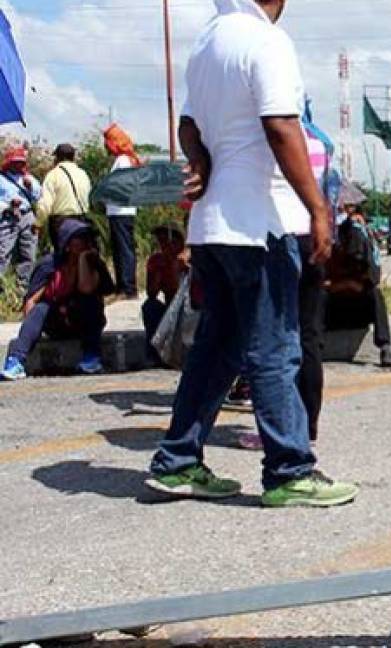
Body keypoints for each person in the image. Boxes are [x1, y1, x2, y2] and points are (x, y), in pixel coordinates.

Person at [146, 0, 358, 508]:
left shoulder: (208, 41)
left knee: (218, 349)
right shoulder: (268, 41)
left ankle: (178, 461)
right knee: (276, 348)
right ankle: (288, 471)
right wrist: (319, 209)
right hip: (259, 223)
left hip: (213, 226)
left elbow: (189, 124)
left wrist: (198, 158)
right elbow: (282, 126)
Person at [1, 219, 115, 381]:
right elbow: (31, 302)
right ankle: (16, 361)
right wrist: (31, 330)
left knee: (90, 302)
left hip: (82, 321)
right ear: (67, 244)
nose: (86, 242)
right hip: (55, 322)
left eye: (87, 237)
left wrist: (83, 260)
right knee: (41, 308)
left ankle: (91, 358)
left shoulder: (93, 263)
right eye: (80, 238)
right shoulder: (49, 265)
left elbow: (86, 289)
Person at [325, 208, 391, 369]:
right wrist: (343, 284)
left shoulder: (362, 245)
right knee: (318, 297)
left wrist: (351, 284)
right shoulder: (323, 247)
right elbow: (319, 283)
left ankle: (385, 346)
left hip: (357, 308)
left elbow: (372, 279)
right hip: (331, 310)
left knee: (376, 295)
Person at [102, 124, 145, 299]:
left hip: (121, 210)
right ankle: (122, 285)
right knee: (121, 249)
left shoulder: (123, 161)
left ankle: (127, 287)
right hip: (119, 210)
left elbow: (121, 185)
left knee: (124, 249)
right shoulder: (124, 159)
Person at [142, 224, 189, 362]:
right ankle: (153, 354)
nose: (164, 245)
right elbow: (151, 293)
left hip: (186, 306)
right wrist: (158, 273)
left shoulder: (186, 259)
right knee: (150, 306)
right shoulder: (156, 261)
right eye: (160, 241)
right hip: (168, 306)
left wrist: (177, 266)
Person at [0, 147, 43, 292]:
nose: (19, 165)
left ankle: (22, 287)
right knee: (3, 252)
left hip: (27, 216)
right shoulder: (1, 178)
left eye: (21, 162)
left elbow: (38, 195)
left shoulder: (28, 178)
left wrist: (30, 187)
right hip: (8, 218)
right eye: (16, 162)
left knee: (28, 252)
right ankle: (2, 286)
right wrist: (8, 206)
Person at [35, 144, 92, 248]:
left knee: (62, 258)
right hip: (82, 220)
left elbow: (45, 204)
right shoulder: (83, 174)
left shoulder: (53, 175)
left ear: (59, 157)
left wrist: (38, 223)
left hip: (61, 222)